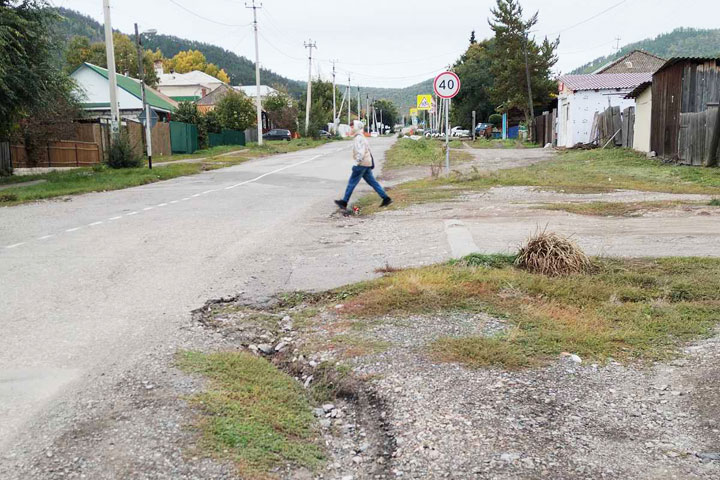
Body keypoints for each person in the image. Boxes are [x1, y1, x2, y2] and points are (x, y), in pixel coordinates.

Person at [334, 122, 392, 210]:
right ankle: (386, 198)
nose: (351, 128)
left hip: (362, 163)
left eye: (352, 126)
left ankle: (344, 202)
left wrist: (358, 162)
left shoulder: (358, 138)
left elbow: (360, 151)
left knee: (351, 183)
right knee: (373, 182)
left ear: (356, 127)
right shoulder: (362, 137)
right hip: (367, 163)